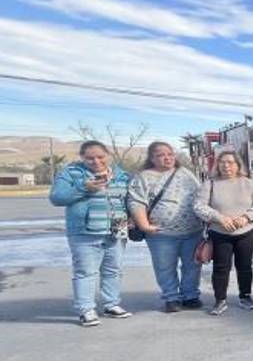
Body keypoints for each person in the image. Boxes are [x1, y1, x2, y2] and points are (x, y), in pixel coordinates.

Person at [49, 140, 132, 327]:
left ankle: (112, 304)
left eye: (100, 157)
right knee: (85, 271)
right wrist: (84, 188)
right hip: (84, 233)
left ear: (108, 156)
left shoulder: (121, 175)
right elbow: (57, 197)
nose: (96, 161)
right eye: (90, 158)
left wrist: (132, 217)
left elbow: (128, 199)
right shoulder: (71, 174)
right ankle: (86, 309)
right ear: (82, 158)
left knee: (113, 270)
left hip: (115, 231)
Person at [127, 141, 205, 313]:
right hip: (161, 233)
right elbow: (136, 202)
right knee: (165, 266)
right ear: (152, 158)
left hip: (192, 231)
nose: (167, 157)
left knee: (192, 265)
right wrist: (144, 225)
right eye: (161, 155)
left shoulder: (186, 173)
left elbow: (202, 196)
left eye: (170, 154)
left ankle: (190, 295)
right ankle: (171, 297)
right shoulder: (144, 177)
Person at [193, 151, 253, 316]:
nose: (226, 165)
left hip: (246, 231)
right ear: (217, 165)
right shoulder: (210, 184)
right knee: (221, 267)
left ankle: (245, 296)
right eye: (222, 162)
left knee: (245, 266)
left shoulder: (248, 183)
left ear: (238, 165)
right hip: (220, 232)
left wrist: (247, 217)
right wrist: (218, 218)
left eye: (230, 162)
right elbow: (199, 206)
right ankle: (220, 300)